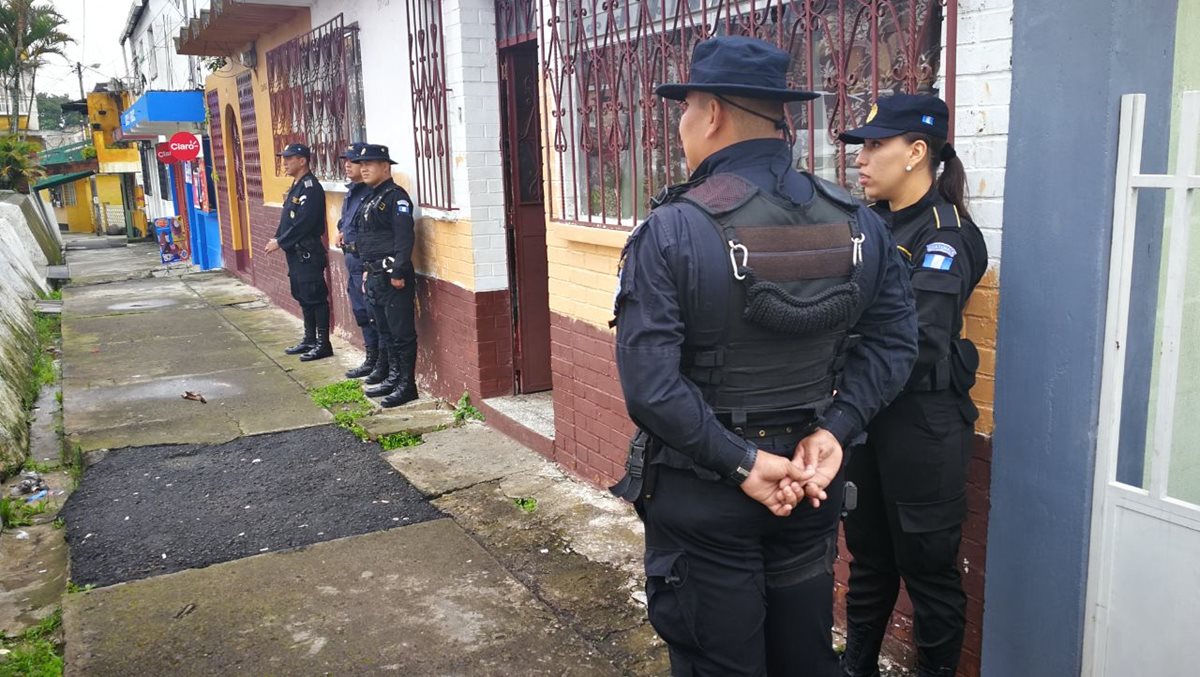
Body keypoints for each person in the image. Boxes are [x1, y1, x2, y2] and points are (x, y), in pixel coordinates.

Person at [611, 36, 918, 677]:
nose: (683, 126)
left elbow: (652, 388)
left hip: (710, 491)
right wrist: (835, 431)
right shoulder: (860, 222)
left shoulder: (672, 228)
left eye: (686, 109)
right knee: (802, 656)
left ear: (712, 113)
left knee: (716, 662)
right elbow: (894, 344)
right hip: (809, 484)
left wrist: (744, 463)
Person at [837, 94, 988, 677]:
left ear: (917, 152)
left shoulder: (948, 236)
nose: (862, 159)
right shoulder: (864, 223)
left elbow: (917, 341)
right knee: (869, 560)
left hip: (921, 428)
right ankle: (855, 668)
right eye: (861, 146)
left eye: (876, 146)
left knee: (929, 573)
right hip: (863, 419)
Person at [349, 143, 420, 408]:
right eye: (361, 164)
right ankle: (392, 378)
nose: (363, 168)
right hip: (374, 275)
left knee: (401, 333)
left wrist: (398, 271)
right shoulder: (370, 197)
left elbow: (404, 237)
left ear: (385, 167)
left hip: (392, 276)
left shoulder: (395, 197)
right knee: (385, 330)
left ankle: (406, 385)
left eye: (370, 164)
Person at [264, 143, 333, 362]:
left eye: (288, 159)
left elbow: (305, 223)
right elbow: (287, 219)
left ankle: (323, 344)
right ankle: (309, 339)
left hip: (308, 252)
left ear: (302, 161)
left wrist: (281, 242)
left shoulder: (311, 188)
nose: (284, 163)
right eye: (283, 158)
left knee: (315, 298)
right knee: (302, 296)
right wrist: (277, 238)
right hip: (296, 253)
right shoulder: (297, 186)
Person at [333, 142, 379, 378]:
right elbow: (347, 220)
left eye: (352, 161)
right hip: (351, 259)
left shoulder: (371, 193)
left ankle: (380, 362)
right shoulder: (351, 191)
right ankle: (371, 357)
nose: (347, 166)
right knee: (361, 312)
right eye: (346, 161)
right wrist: (340, 229)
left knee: (373, 313)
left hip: (365, 262)